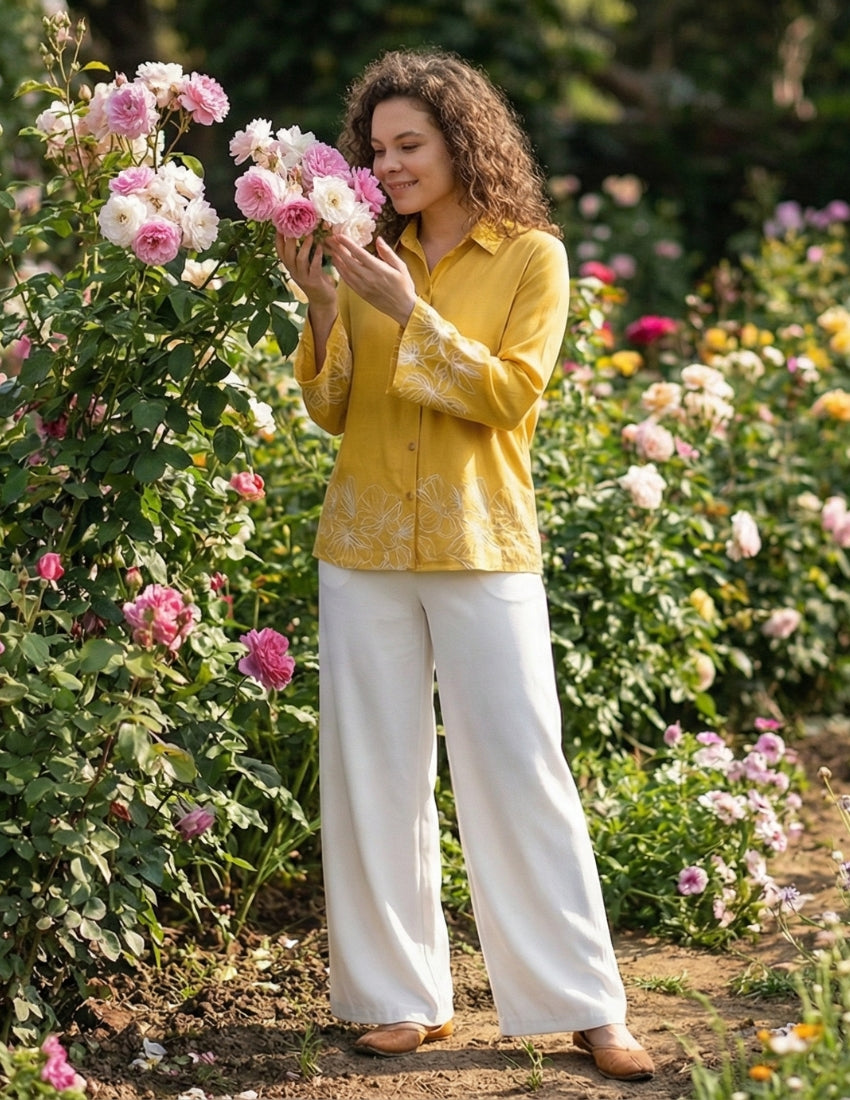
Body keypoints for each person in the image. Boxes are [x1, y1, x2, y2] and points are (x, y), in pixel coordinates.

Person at [276, 48, 654, 1083]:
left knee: (520, 766)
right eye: (377, 147)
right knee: (373, 774)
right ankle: (401, 998)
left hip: (480, 539)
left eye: (410, 145)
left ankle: (584, 1004)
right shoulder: (360, 251)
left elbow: (507, 396)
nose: (388, 164)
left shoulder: (532, 257)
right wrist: (320, 305)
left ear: (461, 141)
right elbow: (334, 408)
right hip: (360, 542)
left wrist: (406, 312)